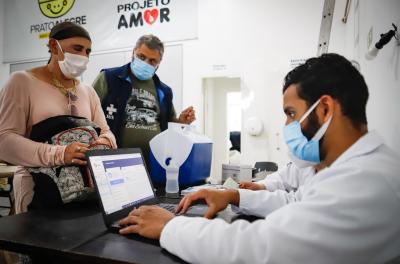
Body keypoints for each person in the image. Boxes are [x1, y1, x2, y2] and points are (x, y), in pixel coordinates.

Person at [117, 53, 400, 263]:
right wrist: (234, 196)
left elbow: (257, 248)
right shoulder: (352, 169)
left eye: (291, 113)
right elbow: (298, 203)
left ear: (324, 109)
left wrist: (170, 226)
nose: (288, 125)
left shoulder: (365, 183)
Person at [0, 22, 116, 213]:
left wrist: (104, 141)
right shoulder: (22, 82)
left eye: (88, 51)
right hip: (40, 190)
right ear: (54, 46)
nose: (84, 56)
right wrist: (60, 154)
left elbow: (106, 131)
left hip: (87, 191)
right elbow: (4, 140)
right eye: (77, 49)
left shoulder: (87, 91)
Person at [92, 34, 195, 165]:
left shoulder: (164, 91)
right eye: (141, 57)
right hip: (114, 160)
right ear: (133, 53)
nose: (145, 63)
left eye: (152, 61)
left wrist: (181, 122)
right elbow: (89, 114)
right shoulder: (109, 78)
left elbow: (169, 125)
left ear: (159, 63)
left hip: (153, 162)